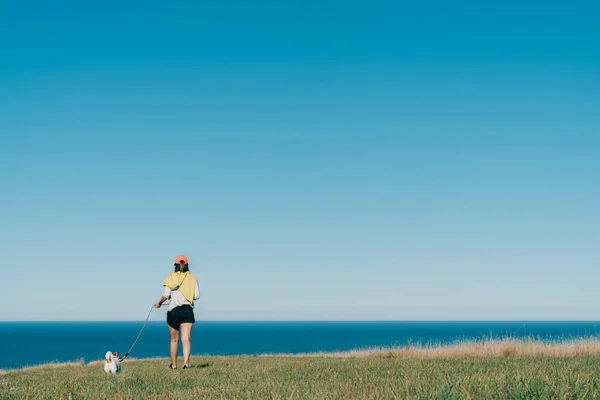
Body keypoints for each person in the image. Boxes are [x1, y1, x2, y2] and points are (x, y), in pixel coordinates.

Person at [154, 254, 200, 369]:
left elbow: (166, 295)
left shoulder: (170, 278)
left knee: (174, 340)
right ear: (187, 265)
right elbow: (197, 295)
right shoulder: (192, 279)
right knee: (186, 339)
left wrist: (159, 303)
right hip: (187, 310)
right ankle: (185, 364)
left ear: (175, 265)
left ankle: (174, 365)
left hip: (173, 310)